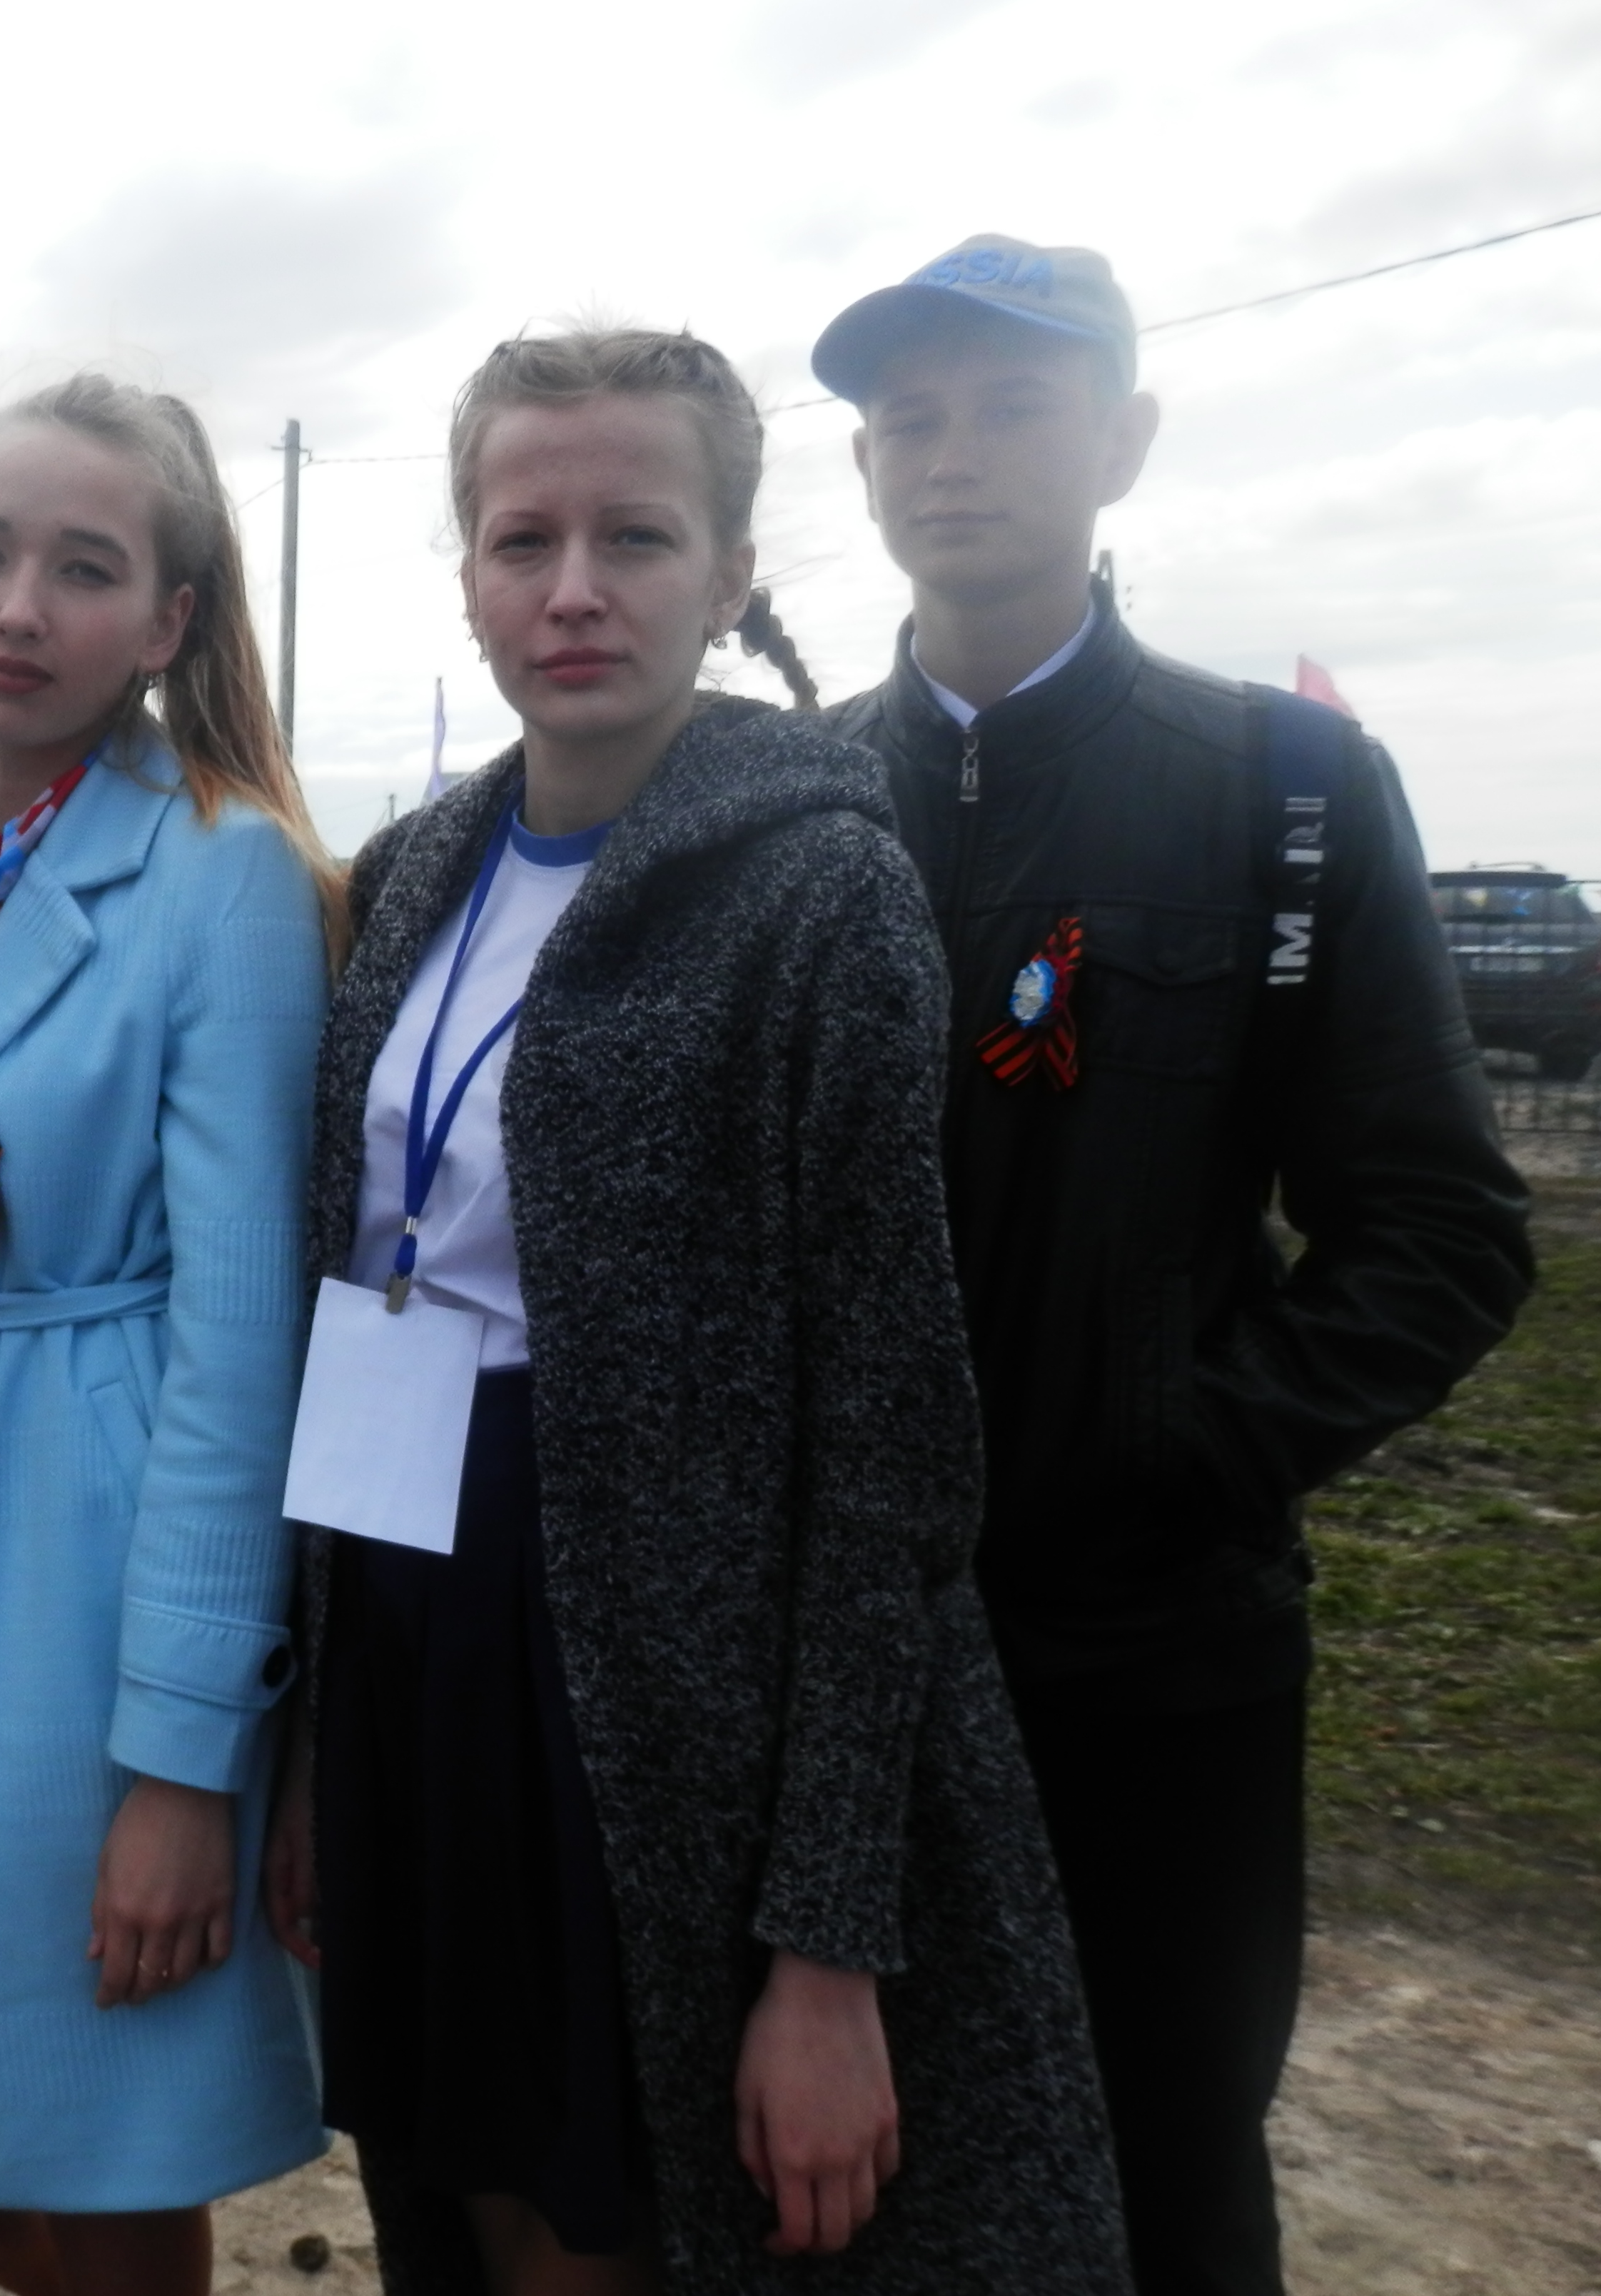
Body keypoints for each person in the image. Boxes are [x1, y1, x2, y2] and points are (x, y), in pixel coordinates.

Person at [266, 327, 1133, 2296]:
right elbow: (365, 1286)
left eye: (636, 537)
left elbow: (886, 1450)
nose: (573, 590)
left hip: (657, 1679)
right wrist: (322, 1736)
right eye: (524, 539)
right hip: (410, 1605)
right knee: (453, 2188)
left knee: (607, 2216)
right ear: (470, 572)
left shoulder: (814, 891)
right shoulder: (409, 877)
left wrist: (827, 1945)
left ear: (732, 570)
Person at [809, 238, 1534, 2296]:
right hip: (841, 1671)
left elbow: (1441, 1230)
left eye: (1012, 407)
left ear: (1122, 440)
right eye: (911, 419)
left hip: (1152, 1672)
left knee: (1159, 2184)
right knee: (835, 2186)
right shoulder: (787, 802)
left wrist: (1180, 1451)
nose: (954, 456)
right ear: (861, 468)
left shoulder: (1280, 789)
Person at [0, 373, 333, 2296]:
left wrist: (182, 1765)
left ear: (169, 619)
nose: (18, 609)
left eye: (84, 570)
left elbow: (241, 1343)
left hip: (83, 1573)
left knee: (105, 2150)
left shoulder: (220, 869)